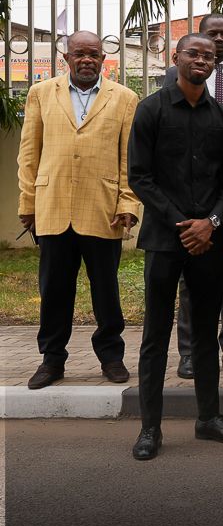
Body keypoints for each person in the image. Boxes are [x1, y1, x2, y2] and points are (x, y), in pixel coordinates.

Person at [127, 34, 223, 460]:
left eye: (209, 56)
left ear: (216, 64)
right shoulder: (151, 110)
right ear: (175, 57)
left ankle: (209, 419)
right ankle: (150, 428)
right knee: (156, 334)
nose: (201, 60)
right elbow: (140, 176)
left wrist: (210, 223)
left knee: (205, 332)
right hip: (165, 240)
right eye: (193, 53)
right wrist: (184, 224)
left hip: (211, 242)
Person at [18, 30, 139, 390]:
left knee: (106, 289)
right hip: (52, 207)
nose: (86, 60)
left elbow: (129, 160)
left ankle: (111, 357)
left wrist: (127, 203)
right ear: (65, 57)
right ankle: (52, 359)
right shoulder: (41, 93)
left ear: (104, 59)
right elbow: (29, 154)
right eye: (79, 54)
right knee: (54, 289)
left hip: (103, 209)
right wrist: (29, 204)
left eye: (94, 54)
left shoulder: (125, 98)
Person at [165, 13, 223, 381]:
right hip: (193, 193)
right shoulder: (174, 77)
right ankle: (188, 354)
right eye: (211, 35)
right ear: (197, 42)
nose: (217, 41)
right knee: (190, 282)